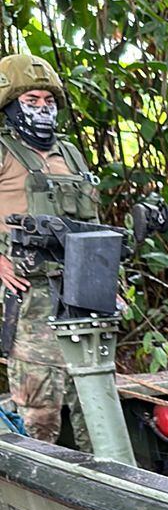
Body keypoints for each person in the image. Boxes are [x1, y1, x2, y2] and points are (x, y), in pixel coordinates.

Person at [0, 52, 99, 446]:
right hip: (27, 292)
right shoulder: (4, 150)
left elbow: (92, 220)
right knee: (38, 403)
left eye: (48, 101)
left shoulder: (70, 153)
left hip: (81, 287)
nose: (42, 109)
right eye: (31, 101)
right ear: (11, 104)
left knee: (92, 394)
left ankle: (105, 489)